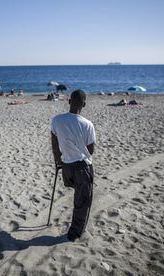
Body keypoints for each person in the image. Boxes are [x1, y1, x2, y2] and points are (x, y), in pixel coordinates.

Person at [51, 89, 96, 242]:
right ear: (84, 104)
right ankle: (75, 234)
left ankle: (75, 229)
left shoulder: (56, 120)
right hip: (82, 168)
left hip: (67, 167)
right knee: (83, 202)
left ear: (69, 102)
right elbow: (91, 150)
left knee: (78, 195)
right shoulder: (87, 124)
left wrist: (58, 161)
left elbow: (54, 144)